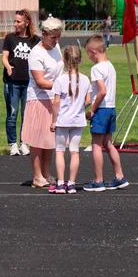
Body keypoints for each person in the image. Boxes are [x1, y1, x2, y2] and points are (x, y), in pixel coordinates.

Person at [22, 17, 64, 188]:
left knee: (50, 140)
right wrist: (63, 85)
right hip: (38, 99)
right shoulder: (36, 54)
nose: (56, 40)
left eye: (58, 37)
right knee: (38, 140)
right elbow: (40, 81)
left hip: (53, 98)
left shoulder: (57, 48)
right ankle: (37, 176)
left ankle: (46, 173)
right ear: (44, 34)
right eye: (53, 37)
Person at [83, 34, 129, 192]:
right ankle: (119, 176)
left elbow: (101, 91)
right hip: (111, 108)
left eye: (88, 53)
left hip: (101, 109)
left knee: (96, 144)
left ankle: (98, 181)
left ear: (94, 52)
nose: (88, 57)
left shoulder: (96, 68)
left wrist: (92, 110)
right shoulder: (110, 66)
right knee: (108, 143)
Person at [49, 46, 92, 194]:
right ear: (80, 60)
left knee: (60, 151)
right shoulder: (85, 80)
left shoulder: (60, 80)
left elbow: (56, 103)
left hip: (62, 120)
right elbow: (88, 100)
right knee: (75, 152)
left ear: (64, 60)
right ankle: (72, 183)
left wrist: (53, 120)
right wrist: (80, 108)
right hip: (78, 120)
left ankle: (61, 183)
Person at [1, 9, 40, 156]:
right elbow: (4, 57)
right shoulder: (10, 38)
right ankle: (12, 144)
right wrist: (8, 66)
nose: (15, 24)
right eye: (15, 21)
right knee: (12, 113)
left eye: (18, 21)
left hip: (29, 83)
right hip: (12, 82)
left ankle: (24, 143)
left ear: (27, 23)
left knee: (26, 114)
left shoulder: (35, 40)